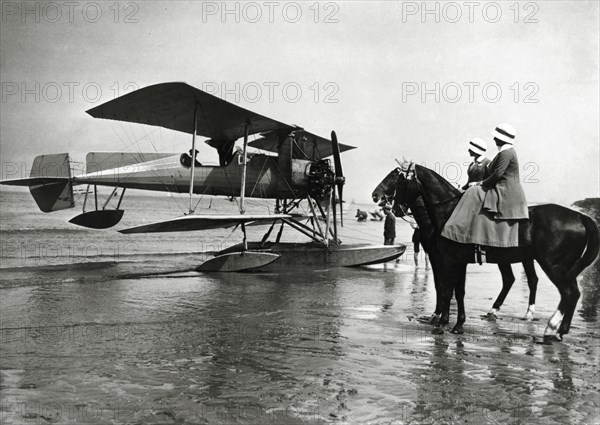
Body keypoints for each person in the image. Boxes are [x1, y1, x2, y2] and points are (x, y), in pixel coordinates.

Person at [441, 123, 528, 247]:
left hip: (505, 189)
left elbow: (498, 174)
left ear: (502, 139)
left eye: (496, 137)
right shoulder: (505, 152)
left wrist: (480, 183)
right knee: (472, 191)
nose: (494, 139)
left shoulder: (506, 153)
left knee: (473, 192)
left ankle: (459, 228)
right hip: (501, 187)